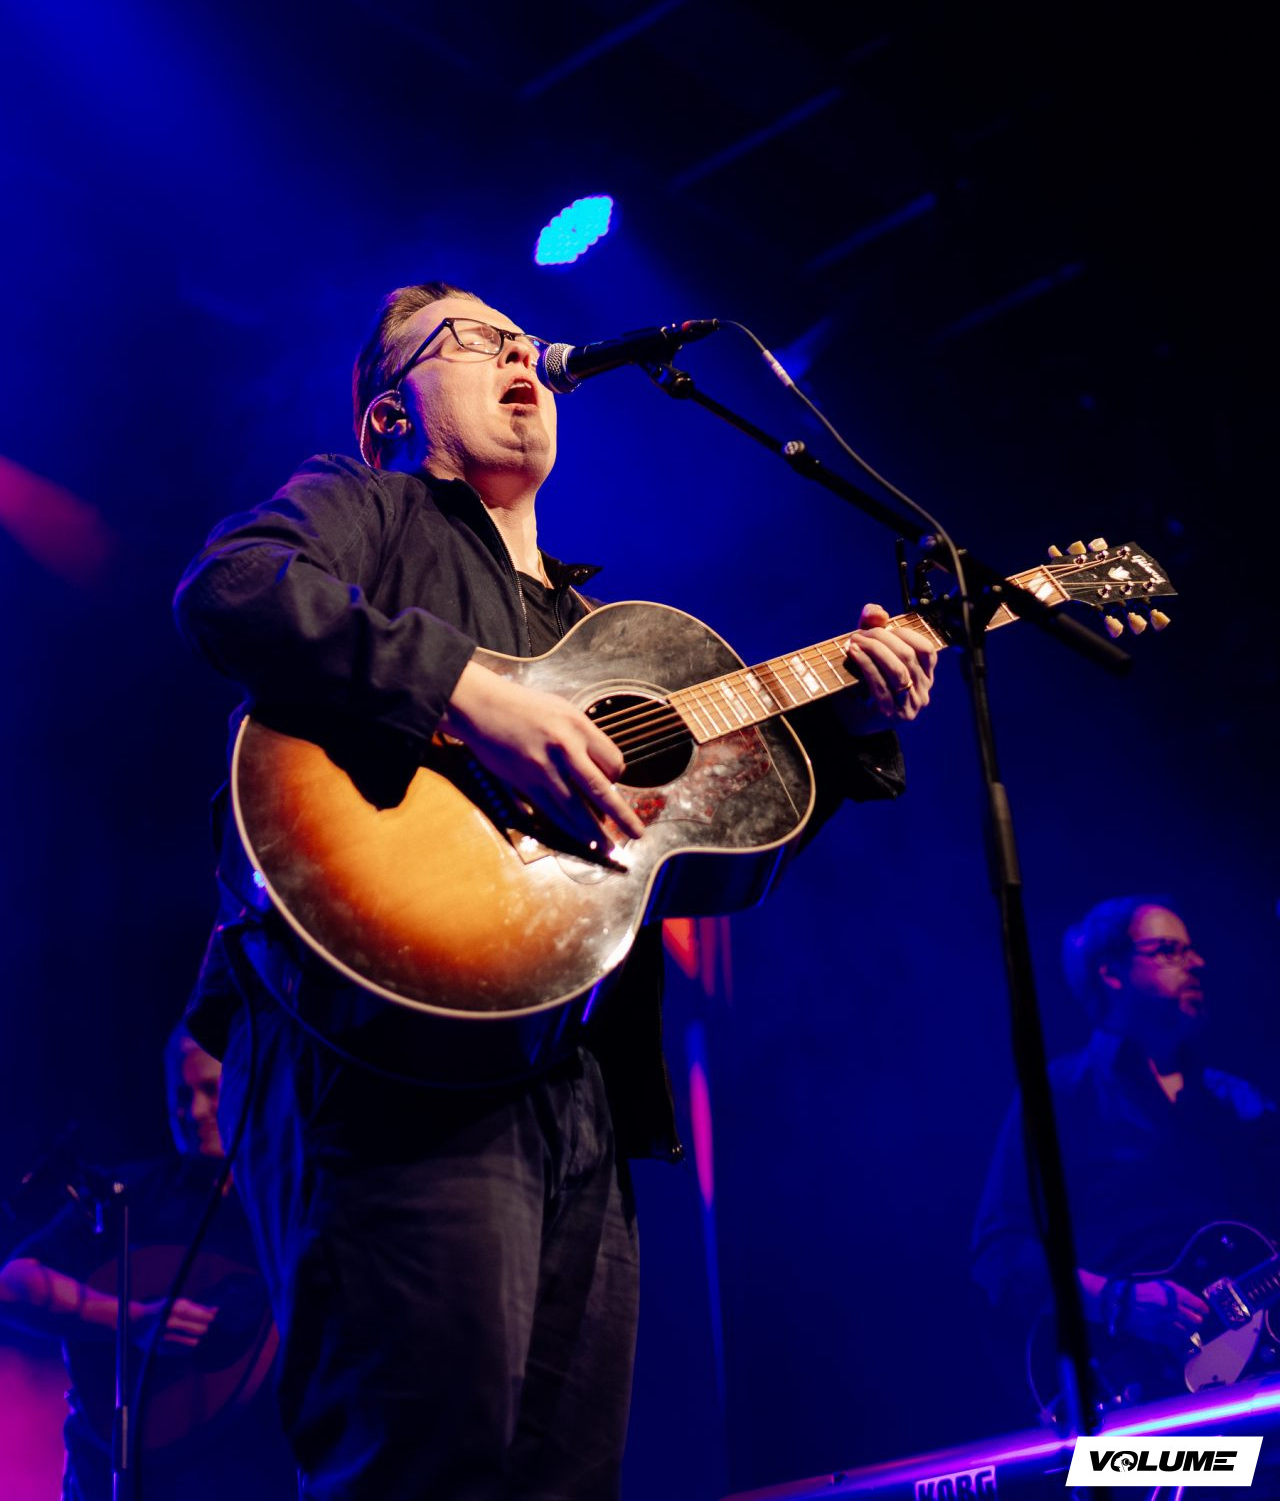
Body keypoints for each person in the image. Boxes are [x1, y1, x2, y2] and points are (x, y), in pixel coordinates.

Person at [171, 278, 938, 1500]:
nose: (519, 355)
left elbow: (701, 865)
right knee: (422, 1467)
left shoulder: (600, 634)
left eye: (523, 340)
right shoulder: (368, 505)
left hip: (570, 1079)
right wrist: (467, 694)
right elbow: (232, 586)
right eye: (474, 341)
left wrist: (844, 729)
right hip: (384, 1062)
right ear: (387, 414)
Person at [971, 895, 1280, 1414]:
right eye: (1169, 950)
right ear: (1111, 972)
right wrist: (1119, 1303)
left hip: (1250, 1387)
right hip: (1122, 1397)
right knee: (1192, 1469)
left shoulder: (1237, 1103)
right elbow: (999, 1255)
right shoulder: (1061, 1094)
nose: (1197, 962)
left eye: (1192, 949)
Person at [0, 1026, 294, 1501]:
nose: (194, 1112)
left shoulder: (287, 1202)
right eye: (180, 1095)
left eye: (210, 1090)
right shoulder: (127, 1196)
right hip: (124, 1478)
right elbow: (14, 1285)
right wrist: (133, 1321)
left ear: (250, 1088)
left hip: (254, 1475)